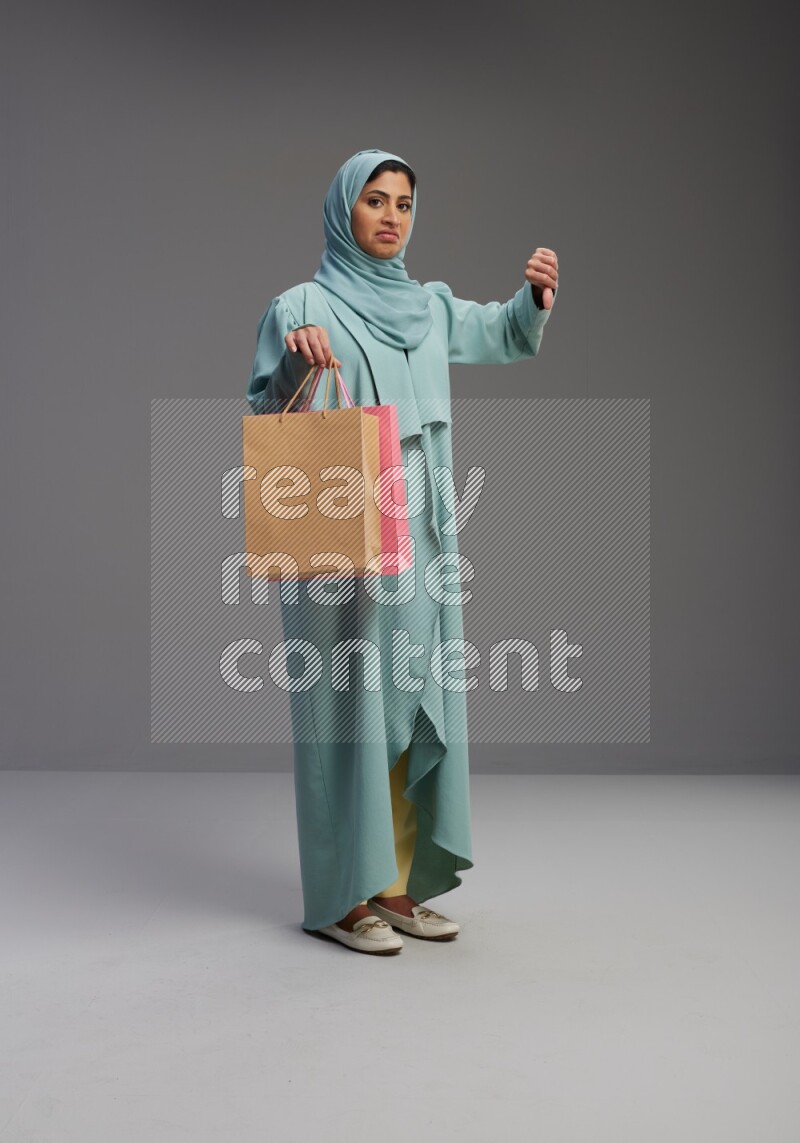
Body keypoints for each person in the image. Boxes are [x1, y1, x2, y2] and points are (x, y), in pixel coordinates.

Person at [246, 148, 559, 955]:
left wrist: (534, 299)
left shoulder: (428, 306)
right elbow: (264, 406)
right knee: (343, 708)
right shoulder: (302, 303)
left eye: (405, 204)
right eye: (375, 200)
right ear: (342, 210)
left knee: (413, 697)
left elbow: (502, 333)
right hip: (342, 538)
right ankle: (339, 898)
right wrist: (294, 357)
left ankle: (390, 885)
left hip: (421, 535)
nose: (391, 215)